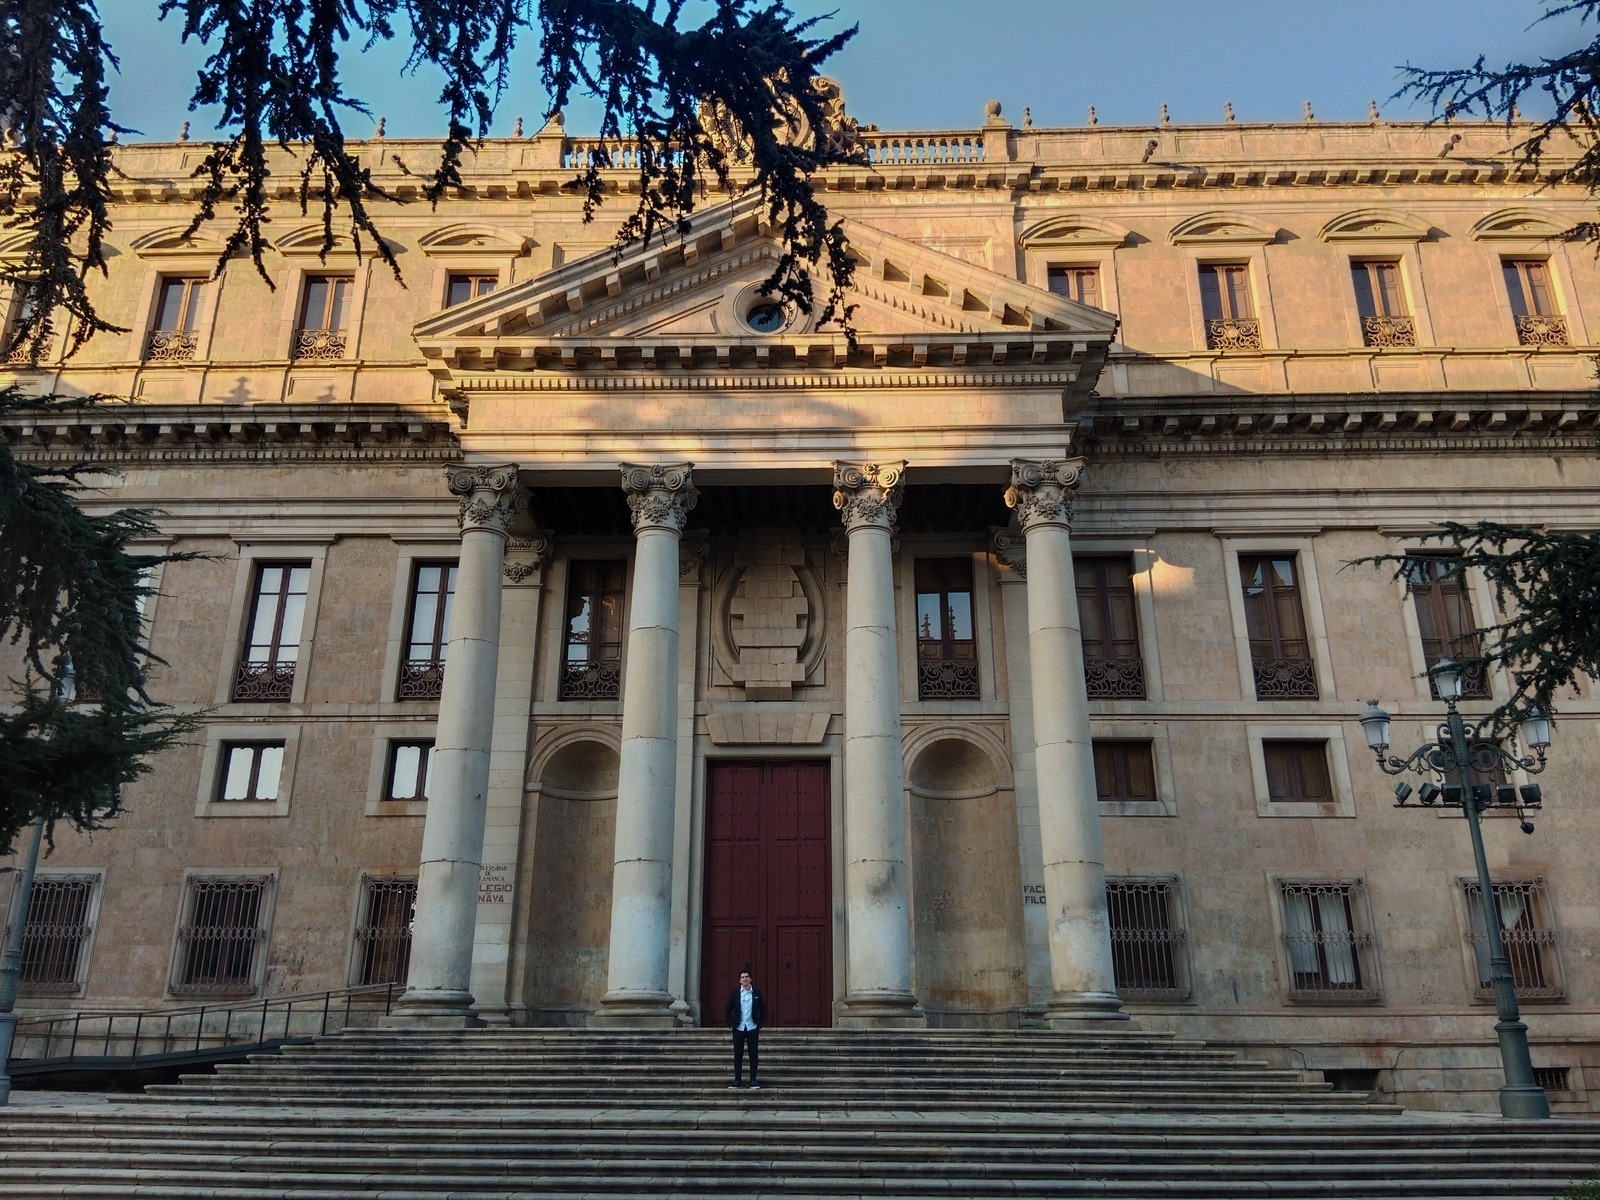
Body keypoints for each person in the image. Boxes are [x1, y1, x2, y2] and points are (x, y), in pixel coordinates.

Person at [723, 968, 766, 1089]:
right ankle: (737, 1080)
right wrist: (731, 1024)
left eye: (747, 977)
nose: (745, 979)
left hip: (752, 1027)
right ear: (739, 980)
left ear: (750, 979)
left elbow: (763, 1009)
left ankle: (753, 1080)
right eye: (742, 977)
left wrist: (760, 1024)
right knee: (738, 1054)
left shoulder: (757, 993)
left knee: (753, 1054)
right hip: (739, 1028)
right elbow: (727, 1009)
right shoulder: (735, 993)